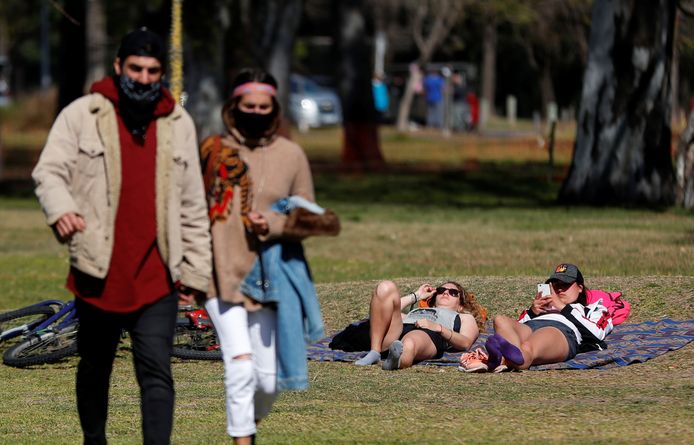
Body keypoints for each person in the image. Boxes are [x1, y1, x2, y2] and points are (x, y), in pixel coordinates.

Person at [31, 28, 211, 444]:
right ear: (118, 67)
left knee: (156, 373)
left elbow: (192, 205)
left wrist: (196, 273)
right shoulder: (83, 113)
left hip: (158, 275)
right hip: (99, 270)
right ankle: (94, 440)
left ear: (161, 72)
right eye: (136, 69)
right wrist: (61, 210)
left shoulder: (177, 122)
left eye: (153, 70)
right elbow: (49, 171)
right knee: (95, 367)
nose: (144, 78)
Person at [198, 68, 323, 445]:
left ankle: (245, 424)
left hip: (271, 279)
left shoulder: (291, 154)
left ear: (275, 108)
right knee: (240, 366)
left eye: (263, 106)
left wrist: (272, 222)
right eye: (248, 105)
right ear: (233, 107)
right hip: (221, 275)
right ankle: (242, 441)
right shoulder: (214, 151)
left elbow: (311, 218)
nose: (255, 112)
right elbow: (189, 210)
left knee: (267, 381)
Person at [479, 263, 613, 372]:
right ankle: (507, 359)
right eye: (555, 285)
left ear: (579, 287)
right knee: (500, 320)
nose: (559, 289)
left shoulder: (593, 308)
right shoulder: (542, 308)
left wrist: (563, 307)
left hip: (560, 330)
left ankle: (515, 360)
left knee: (528, 346)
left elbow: (597, 333)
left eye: (565, 284)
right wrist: (532, 312)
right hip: (532, 325)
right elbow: (515, 330)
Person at [353, 280, 486, 370]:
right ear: (434, 298)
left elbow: (465, 342)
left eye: (453, 293)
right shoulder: (415, 312)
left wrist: (438, 328)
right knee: (385, 287)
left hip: (429, 335)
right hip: (398, 330)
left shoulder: (463, 317)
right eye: (441, 290)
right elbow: (382, 308)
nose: (446, 293)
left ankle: (397, 361)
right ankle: (375, 352)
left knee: (411, 340)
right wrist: (417, 296)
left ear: (460, 306)